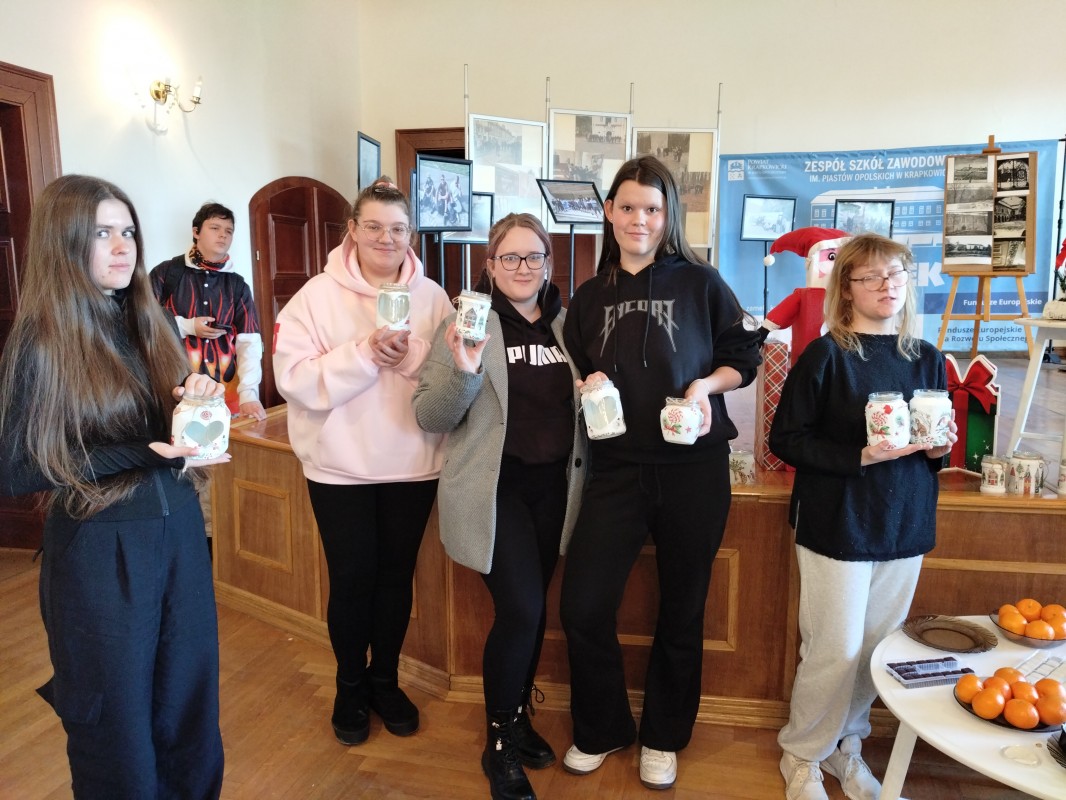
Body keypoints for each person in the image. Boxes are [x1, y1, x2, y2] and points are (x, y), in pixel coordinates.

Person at [0, 174, 229, 798]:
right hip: (102, 550)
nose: (123, 246)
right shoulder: (41, 342)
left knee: (189, 704)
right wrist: (141, 452)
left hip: (180, 536)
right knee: (116, 722)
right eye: (102, 233)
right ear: (65, 241)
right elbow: (16, 467)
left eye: (127, 231)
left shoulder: (152, 323)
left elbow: (172, 425)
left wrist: (195, 398)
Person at [559, 156, 762, 791]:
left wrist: (705, 386)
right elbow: (574, 368)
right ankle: (603, 727)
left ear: (668, 214)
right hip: (616, 469)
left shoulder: (701, 282)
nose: (639, 220)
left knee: (683, 608)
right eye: (627, 207)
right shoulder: (589, 295)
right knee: (583, 604)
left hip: (693, 469)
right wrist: (584, 383)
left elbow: (743, 357)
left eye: (652, 208)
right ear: (609, 212)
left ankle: (663, 736)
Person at [768, 233, 957, 800]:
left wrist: (940, 447)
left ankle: (845, 745)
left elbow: (934, 447)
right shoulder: (827, 355)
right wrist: (860, 456)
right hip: (838, 522)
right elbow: (787, 439)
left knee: (875, 650)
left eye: (896, 274)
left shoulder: (925, 357)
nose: (887, 285)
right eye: (871, 276)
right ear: (845, 289)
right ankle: (803, 753)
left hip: (905, 522)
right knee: (835, 648)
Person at [413, 214, 586, 800]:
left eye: (534, 256)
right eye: (509, 257)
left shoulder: (567, 325)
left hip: (555, 493)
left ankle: (517, 717)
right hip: (496, 493)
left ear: (548, 263)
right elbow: (430, 415)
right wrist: (464, 373)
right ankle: (498, 742)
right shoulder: (467, 323)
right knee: (521, 608)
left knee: (533, 614)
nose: (523, 268)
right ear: (489, 265)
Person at [272, 181, 452, 747]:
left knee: (396, 578)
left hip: (413, 463)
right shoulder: (315, 296)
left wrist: (410, 354)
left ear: (410, 235)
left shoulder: (433, 298)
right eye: (373, 226)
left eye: (397, 228)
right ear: (351, 230)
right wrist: (364, 354)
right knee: (352, 580)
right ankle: (349, 684)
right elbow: (292, 378)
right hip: (339, 467)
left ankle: (384, 680)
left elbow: (456, 376)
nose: (385, 238)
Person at [149, 201, 267, 421]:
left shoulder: (237, 285)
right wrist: (187, 326)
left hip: (224, 397)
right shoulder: (166, 273)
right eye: (215, 228)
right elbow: (142, 322)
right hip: (173, 392)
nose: (223, 235)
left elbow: (249, 342)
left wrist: (249, 395)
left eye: (229, 231)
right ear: (196, 232)